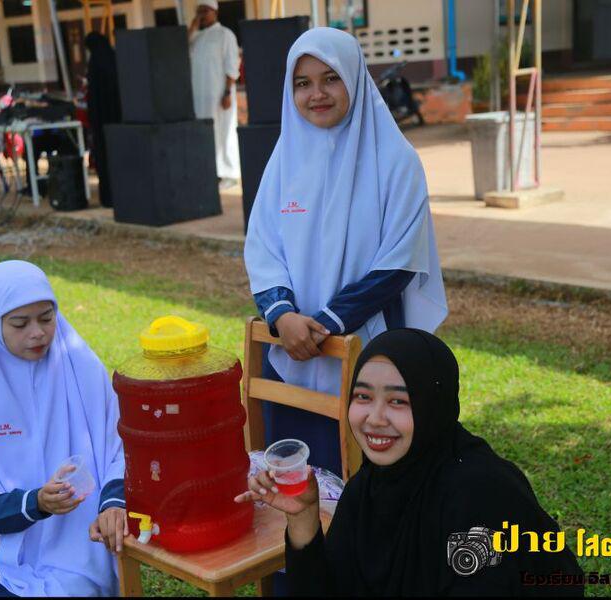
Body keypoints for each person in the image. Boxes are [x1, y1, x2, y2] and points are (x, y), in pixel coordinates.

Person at [236, 329, 585, 596]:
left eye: (398, 401)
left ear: (433, 406)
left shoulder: (479, 496)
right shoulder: (368, 488)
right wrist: (303, 518)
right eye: (363, 396)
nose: (375, 418)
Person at [243, 27, 448, 478]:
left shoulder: (396, 161)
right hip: (291, 350)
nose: (316, 94)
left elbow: (398, 260)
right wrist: (283, 315)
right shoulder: (284, 159)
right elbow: (263, 246)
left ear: (355, 77)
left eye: (330, 78)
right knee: (299, 478)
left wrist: (327, 325)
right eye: (303, 83)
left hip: (367, 343)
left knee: (368, 470)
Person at [0, 260, 127, 596]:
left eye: (46, 317)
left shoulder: (82, 368)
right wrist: (36, 502)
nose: (38, 332)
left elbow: (121, 448)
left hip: (80, 543)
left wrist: (112, 503)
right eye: (20, 323)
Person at [188, 0, 241, 189]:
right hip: (199, 97)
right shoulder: (196, 37)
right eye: (199, 11)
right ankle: (211, 172)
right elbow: (180, 49)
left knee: (224, 132)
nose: (201, 15)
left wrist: (227, 92)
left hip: (219, 95)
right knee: (206, 134)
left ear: (215, 12)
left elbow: (232, 64)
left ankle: (229, 173)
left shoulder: (225, 34)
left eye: (205, 11)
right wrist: (193, 27)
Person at [85, 32, 122, 207]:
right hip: (118, 119)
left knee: (104, 158)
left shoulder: (94, 63)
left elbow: (93, 97)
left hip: (101, 122)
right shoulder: (113, 58)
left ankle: (108, 198)